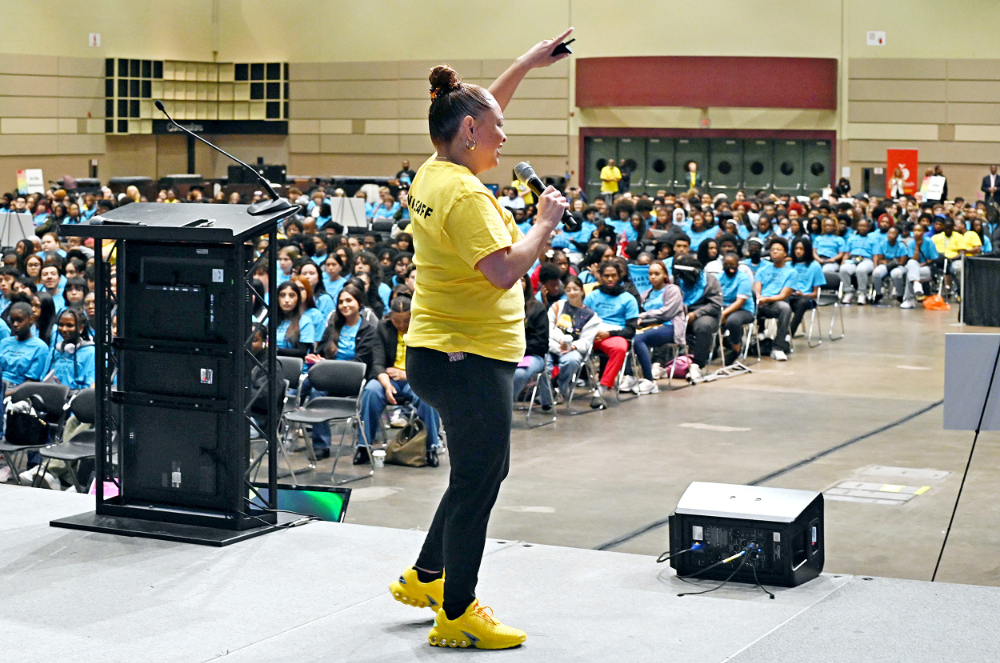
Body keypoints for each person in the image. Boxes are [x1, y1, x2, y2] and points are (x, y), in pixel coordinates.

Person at [389, 33, 572, 651]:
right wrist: (544, 225)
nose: (504, 137)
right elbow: (501, 270)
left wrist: (525, 63)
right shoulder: (464, 195)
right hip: (464, 355)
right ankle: (457, 612)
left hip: (443, 347)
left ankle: (426, 576)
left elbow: (481, 103)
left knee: (475, 471)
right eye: (496, 129)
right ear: (469, 131)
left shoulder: (436, 167)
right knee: (480, 477)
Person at [361, 296, 442, 466]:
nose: (402, 325)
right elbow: (378, 363)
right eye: (397, 321)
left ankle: (431, 447)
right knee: (371, 391)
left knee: (428, 397)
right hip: (389, 378)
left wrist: (406, 374)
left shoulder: (423, 329)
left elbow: (430, 364)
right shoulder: (383, 328)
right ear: (390, 317)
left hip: (415, 378)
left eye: (406, 320)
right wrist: (387, 385)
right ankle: (363, 446)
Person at [304, 283, 377, 460]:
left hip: (354, 381)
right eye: (341, 302)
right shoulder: (333, 327)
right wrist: (319, 360)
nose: (345, 305)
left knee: (313, 383)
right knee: (315, 390)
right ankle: (321, 445)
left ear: (359, 303)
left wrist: (328, 365)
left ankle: (292, 405)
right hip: (331, 378)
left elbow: (362, 362)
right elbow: (320, 351)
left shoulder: (368, 330)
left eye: (349, 301)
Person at [584, 260, 639, 406]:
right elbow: (581, 320)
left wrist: (609, 333)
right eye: (606, 276)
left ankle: (600, 390)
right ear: (600, 276)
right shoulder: (592, 296)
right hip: (591, 334)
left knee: (620, 348)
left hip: (613, 335)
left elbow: (631, 330)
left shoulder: (628, 299)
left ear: (619, 276)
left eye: (613, 276)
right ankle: (557, 388)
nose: (610, 279)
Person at [632, 260, 685, 394]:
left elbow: (667, 312)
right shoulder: (646, 294)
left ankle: (650, 381)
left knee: (638, 339)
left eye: (657, 274)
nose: (653, 277)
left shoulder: (673, 290)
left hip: (670, 326)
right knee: (626, 336)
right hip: (649, 326)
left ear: (665, 275)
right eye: (650, 274)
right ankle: (629, 376)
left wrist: (645, 315)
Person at [546, 276, 599, 401]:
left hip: (573, 350)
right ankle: (546, 392)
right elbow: (548, 328)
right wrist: (560, 341)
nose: (572, 293)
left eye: (575, 289)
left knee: (572, 360)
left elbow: (586, 342)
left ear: (582, 291)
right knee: (543, 361)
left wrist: (571, 346)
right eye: (568, 290)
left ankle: (561, 388)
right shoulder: (557, 306)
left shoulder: (591, 316)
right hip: (553, 345)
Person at [673, 253, 721, 380]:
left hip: (705, 313)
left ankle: (697, 365)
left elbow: (715, 305)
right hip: (681, 312)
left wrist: (696, 314)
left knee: (703, 326)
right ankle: (660, 363)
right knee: (664, 324)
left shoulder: (710, 281)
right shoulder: (678, 280)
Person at [753, 237, 797, 361]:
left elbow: (784, 295)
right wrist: (758, 297)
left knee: (785, 308)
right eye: (772, 250)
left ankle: (778, 347)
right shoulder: (763, 269)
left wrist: (766, 299)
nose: (775, 252)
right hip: (759, 302)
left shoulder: (791, 272)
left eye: (778, 250)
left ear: (785, 253)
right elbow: (757, 286)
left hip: (775, 303)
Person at [511, 275, 551, 410]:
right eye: (515, 279)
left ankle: (505, 407)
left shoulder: (537, 308)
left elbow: (541, 342)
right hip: (507, 353)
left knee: (519, 374)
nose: (518, 283)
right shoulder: (502, 307)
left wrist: (519, 350)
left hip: (531, 355)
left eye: (521, 280)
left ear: (527, 283)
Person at [0, 302, 49, 388]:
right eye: (12, 320)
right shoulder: (4, 342)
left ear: (31, 320)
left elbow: (31, 383)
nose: (15, 324)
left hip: (19, 389)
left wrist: (5, 394)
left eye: (19, 320)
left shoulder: (40, 347)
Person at [718, 252, 755, 364]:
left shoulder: (743, 278)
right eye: (726, 264)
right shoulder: (718, 277)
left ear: (737, 265)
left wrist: (724, 314)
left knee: (733, 321)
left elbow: (740, 302)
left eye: (732, 264)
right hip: (723, 307)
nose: (729, 267)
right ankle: (713, 348)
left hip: (743, 310)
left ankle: (736, 350)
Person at [47, 308, 95, 390]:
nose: (64, 329)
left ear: (81, 328)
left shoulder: (90, 353)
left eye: (70, 325)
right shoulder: (55, 351)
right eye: (61, 325)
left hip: (76, 399)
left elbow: (89, 387)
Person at [788, 237, 826, 338]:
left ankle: (789, 334)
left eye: (801, 249)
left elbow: (815, 293)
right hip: (788, 296)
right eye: (796, 249)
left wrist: (803, 294)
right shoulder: (788, 265)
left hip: (804, 298)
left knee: (802, 302)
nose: (798, 251)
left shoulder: (815, 266)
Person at [839, 219, 879, 305]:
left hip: (867, 260)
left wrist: (875, 267)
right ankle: (848, 292)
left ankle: (862, 293)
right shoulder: (851, 239)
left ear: (868, 228)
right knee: (843, 269)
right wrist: (843, 263)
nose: (862, 228)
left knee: (861, 270)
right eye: (861, 225)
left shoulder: (873, 240)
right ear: (857, 227)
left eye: (865, 226)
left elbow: (875, 255)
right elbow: (847, 253)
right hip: (853, 259)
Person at [901, 223, 938, 308]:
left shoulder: (929, 241)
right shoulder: (911, 243)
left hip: (926, 268)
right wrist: (917, 246)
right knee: (911, 264)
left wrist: (923, 264)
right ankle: (916, 284)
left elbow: (934, 258)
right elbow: (913, 259)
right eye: (915, 230)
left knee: (910, 274)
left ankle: (909, 300)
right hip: (915, 266)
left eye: (919, 230)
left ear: (923, 232)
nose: (917, 233)